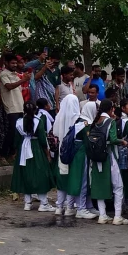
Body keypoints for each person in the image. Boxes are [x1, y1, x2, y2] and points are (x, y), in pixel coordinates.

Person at [86, 99, 128, 225]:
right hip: (109, 157)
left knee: (100, 187)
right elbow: (113, 139)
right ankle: (117, 216)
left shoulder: (95, 122)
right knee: (118, 186)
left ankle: (103, 215)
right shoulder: (111, 122)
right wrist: (122, 141)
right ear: (110, 109)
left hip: (96, 159)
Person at [12, 102, 56, 211]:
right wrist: (47, 154)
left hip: (23, 149)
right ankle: (44, 203)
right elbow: (42, 139)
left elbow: (16, 140)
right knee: (41, 175)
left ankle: (27, 202)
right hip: (36, 149)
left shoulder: (19, 122)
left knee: (25, 174)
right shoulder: (38, 121)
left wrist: (16, 152)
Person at [51, 87, 81, 216]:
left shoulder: (59, 116)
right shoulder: (78, 119)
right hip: (73, 151)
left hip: (61, 150)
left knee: (62, 179)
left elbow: (55, 132)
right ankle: (70, 207)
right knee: (71, 179)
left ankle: (59, 206)